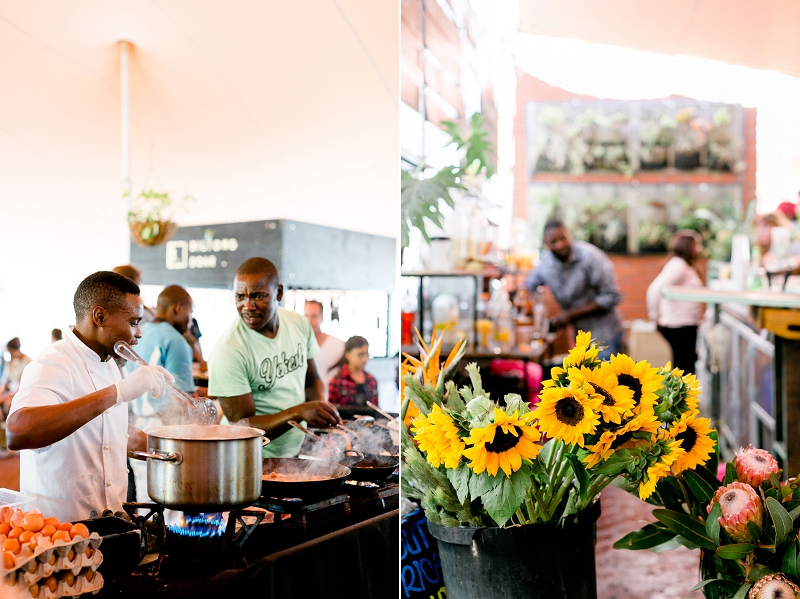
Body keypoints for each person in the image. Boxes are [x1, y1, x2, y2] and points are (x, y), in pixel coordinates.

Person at [6, 271, 173, 522]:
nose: (138, 333)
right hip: (60, 528)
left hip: (109, 521)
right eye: (133, 322)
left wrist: (175, 445)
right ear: (100, 316)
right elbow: (18, 431)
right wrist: (118, 392)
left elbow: (107, 429)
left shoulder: (109, 364)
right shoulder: (51, 363)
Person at [208, 258, 341, 458]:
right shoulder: (228, 350)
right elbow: (242, 427)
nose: (248, 306)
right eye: (240, 297)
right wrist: (298, 413)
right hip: (246, 459)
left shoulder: (298, 324)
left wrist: (320, 407)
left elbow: (311, 379)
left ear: (278, 292)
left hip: (292, 453)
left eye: (258, 296)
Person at [128, 285, 198, 501]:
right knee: (171, 507)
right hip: (164, 432)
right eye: (190, 312)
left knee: (145, 503)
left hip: (137, 427)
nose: (190, 320)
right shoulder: (176, 340)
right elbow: (182, 401)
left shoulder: (140, 333)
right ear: (179, 308)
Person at [525, 219, 624, 358]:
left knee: (605, 379)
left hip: (605, 336)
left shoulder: (591, 257)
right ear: (546, 243)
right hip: (581, 338)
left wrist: (570, 315)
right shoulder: (546, 264)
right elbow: (529, 284)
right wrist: (533, 307)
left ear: (569, 235)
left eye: (563, 238)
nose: (560, 245)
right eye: (553, 241)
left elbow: (611, 296)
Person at [646, 230, 705, 375]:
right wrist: (655, 317)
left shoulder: (683, 265)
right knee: (683, 372)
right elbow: (654, 290)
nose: (700, 249)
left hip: (686, 325)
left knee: (685, 369)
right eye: (697, 245)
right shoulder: (678, 265)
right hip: (679, 326)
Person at [304, 300, 345, 399]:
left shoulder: (338, 345)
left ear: (321, 318)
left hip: (332, 400)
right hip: (305, 402)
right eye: (306, 316)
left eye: (313, 316)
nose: (309, 320)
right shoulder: (297, 345)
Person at [327, 336, 378, 411]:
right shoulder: (337, 381)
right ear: (348, 354)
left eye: (367, 354)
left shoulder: (371, 380)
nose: (365, 358)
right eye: (360, 355)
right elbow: (332, 411)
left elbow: (376, 411)